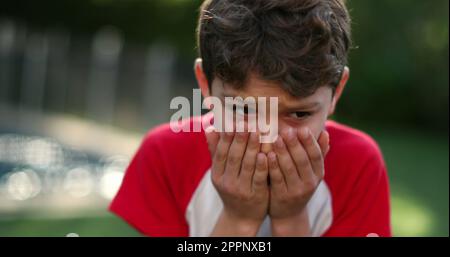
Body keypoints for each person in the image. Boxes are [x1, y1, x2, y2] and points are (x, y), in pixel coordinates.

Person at [109, 0, 391, 237]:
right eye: (244, 110)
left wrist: (292, 219)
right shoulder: (166, 155)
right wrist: (239, 219)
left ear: (336, 92)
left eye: (299, 114)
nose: (269, 138)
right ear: (205, 84)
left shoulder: (358, 166)